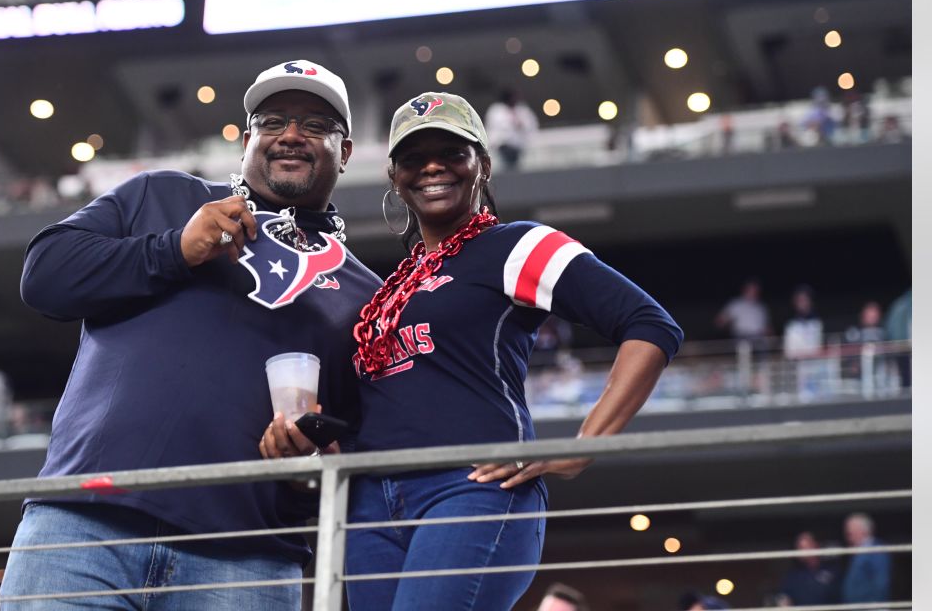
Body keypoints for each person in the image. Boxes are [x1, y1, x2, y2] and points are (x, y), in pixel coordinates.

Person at [260, 92, 682, 610]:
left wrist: (580, 447)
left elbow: (649, 324)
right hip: (370, 503)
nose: (432, 167)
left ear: (481, 164)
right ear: (395, 177)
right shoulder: (390, 287)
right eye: (414, 158)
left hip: (469, 488)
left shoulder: (516, 246)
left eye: (452, 153)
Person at [0, 60, 383, 610]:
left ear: (345, 152)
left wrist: (309, 461)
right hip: (83, 529)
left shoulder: (362, 292)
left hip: (245, 558)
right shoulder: (163, 196)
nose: (292, 135)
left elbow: (351, 443)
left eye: (317, 125)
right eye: (274, 121)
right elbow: (44, 277)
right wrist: (174, 249)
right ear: (247, 139)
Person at [778, 531, 840, 606]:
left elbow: (840, 597)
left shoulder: (832, 571)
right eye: (799, 548)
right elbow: (784, 598)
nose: (801, 551)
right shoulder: (793, 576)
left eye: (804, 547)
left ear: (815, 546)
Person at [841, 512, 891, 604]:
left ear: (863, 531)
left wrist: (872, 604)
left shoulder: (876, 550)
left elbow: (881, 583)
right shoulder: (860, 551)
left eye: (851, 532)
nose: (848, 536)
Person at [484, 88, 539, 171]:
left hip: (520, 148)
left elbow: (532, 125)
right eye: (513, 97)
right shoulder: (496, 111)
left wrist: (521, 124)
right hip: (502, 148)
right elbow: (493, 129)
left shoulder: (522, 110)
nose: (515, 99)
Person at [715, 279, 771, 343]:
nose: (754, 291)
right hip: (741, 336)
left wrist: (771, 337)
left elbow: (767, 327)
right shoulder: (736, 304)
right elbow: (720, 321)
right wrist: (726, 323)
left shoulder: (761, 307)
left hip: (759, 337)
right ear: (745, 289)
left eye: (756, 289)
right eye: (752, 289)